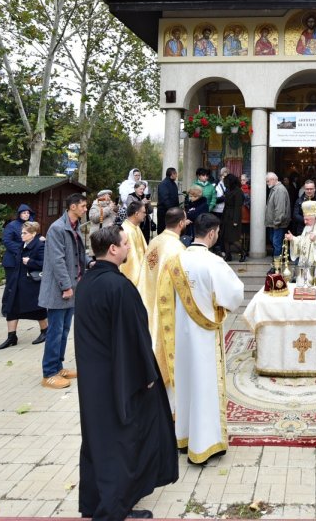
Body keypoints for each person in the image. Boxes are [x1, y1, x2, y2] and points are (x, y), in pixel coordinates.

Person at [75, 224, 177, 519]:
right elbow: (134, 337)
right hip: (120, 380)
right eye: (125, 244)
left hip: (94, 378)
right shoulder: (119, 287)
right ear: (113, 249)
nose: (129, 247)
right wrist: (146, 377)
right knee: (121, 443)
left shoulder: (87, 283)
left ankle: (97, 502)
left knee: (98, 442)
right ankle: (113, 508)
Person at [153, 213, 243, 464]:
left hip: (179, 335)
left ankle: (183, 436)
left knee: (184, 382)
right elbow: (234, 296)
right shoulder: (214, 263)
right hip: (203, 336)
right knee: (204, 385)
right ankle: (205, 444)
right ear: (213, 233)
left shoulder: (175, 260)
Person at [39, 193, 88, 389]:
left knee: (64, 329)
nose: (85, 209)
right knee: (55, 330)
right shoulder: (58, 228)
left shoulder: (74, 227)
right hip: (60, 289)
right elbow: (57, 260)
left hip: (72, 287)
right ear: (73, 207)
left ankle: (58, 366)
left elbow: (77, 255)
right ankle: (49, 372)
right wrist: (66, 286)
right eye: (83, 206)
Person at [145, 208, 188, 366]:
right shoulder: (177, 247)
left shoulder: (155, 241)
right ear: (181, 223)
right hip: (166, 303)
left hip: (149, 296)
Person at [0, 221, 49, 349]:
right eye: (21, 232)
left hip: (32, 282)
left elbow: (45, 263)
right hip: (18, 281)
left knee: (37, 309)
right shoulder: (23, 244)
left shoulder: (40, 245)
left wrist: (30, 262)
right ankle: (11, 337)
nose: (21, 235)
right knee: (11, 308)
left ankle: (45, 331)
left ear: (33, 234)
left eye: (24, 233)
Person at [0, 204, 33, 335]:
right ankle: (5, 307)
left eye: (28, 213)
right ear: (19, 213)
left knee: (22, 283)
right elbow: (7, 241)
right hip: (12, 260)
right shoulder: (12, 226)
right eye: (24, 213)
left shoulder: (30, 226)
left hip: (24, 260)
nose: (26, 215)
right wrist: (20, 250)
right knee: (10, 284)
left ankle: (19, 306)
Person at [120, 199, 151, 300]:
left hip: (141, 270)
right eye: (144, 212)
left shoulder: (135, 227)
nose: (145, 214)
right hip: (134, 278)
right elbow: (131, 259)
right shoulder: (127, 230)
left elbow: (144, 249)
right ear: (136, 214)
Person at [220, 173, 245, 262]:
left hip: (233, 217)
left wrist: (235, 221)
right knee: (225, 237)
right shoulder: (228, 190)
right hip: (226, 216)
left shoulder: (238, 191)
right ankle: (228, 255)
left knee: (233, 238)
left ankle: (243, 252)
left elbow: (237, 207)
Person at [265, 172, 291, 258]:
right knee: (276, 243)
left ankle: (276, 266)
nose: (267, 183)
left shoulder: (279, 190)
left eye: (267, 181)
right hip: (275, 224)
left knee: (277, 244)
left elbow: (280, 210)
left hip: (277, 224)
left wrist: (276, 223)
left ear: (273, 180)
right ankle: (277, 263)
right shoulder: (275, 189)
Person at [156, 169, 180, 235]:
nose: (176, 176)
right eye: (175, 174)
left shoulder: (173, 183)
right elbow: (165, 199)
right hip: (164, 212)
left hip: (171, 212)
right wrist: (172, 210)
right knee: (163, 229)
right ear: (172, 174)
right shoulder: (163, 184)